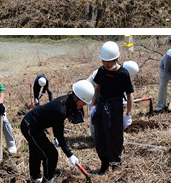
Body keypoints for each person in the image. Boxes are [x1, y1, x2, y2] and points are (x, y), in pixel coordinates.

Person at [21, 80, 95, 183]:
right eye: (83, 102)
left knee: (37, 150)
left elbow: (56, 125)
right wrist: (70, 155)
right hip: (30, 125)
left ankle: (35, 177)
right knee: (51, 154)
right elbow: (60, 134)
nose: (83, 105)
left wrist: (56, 137)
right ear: (76, 97)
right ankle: (47, 179)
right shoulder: (61, 109)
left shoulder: (67, 101)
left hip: (36, 125)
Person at [90, 41, 134, 174]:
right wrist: (93, 106)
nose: (105, 64)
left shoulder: (123, 74)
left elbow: (130, 94)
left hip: (115, 107)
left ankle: (116, 164)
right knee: (100, 135)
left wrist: (128, 115)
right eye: (103, 61)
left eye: (108, 61)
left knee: (114, 136)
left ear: (116, 59)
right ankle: (104, 164)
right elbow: (97, 89)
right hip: (102, 106)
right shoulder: (102, 71)